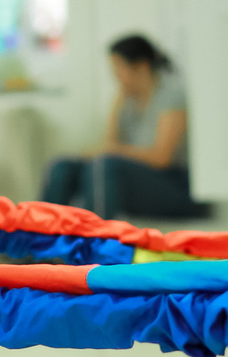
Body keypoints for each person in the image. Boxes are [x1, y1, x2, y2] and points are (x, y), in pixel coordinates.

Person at [39, 34, 204, 219]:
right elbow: (109, 146)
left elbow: (162, 158)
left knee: (104, 165)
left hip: (176, 188)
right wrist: (116, 106)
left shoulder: (170, 96)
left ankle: (96, 241)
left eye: (118, 69)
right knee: (62, 166)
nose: (115, 76)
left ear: (141, 67)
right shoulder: (128, 101)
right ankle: (43, 238)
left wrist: (114, 151)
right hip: (142, 184)